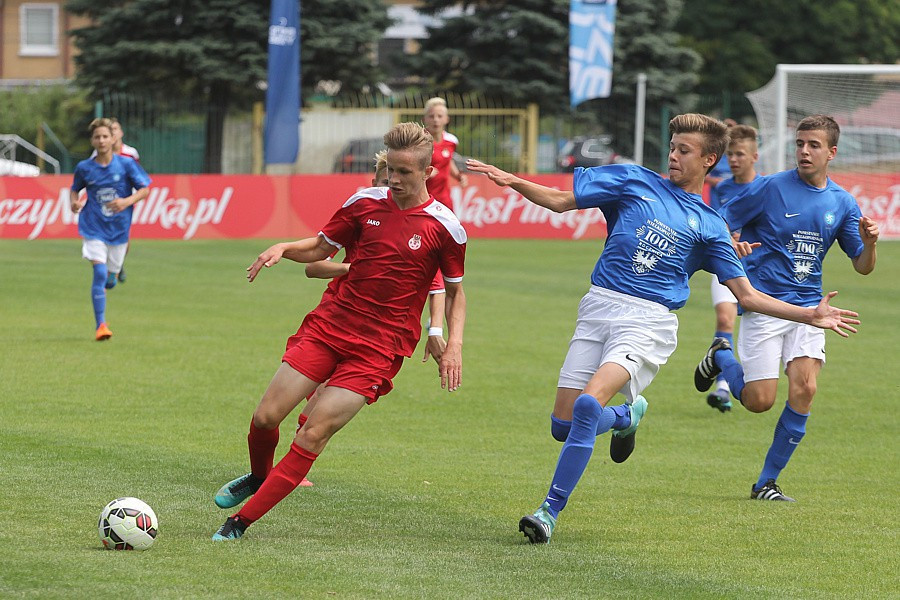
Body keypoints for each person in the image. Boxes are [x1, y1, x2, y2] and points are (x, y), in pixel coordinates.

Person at [466, 113, 860, 544]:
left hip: (648, 323)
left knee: (583, 408)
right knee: (563, 425)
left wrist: (809, 315)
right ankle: (625, 417)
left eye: (684, 151)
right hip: (598, 307)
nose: (673, 156)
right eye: (672, 147)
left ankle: (548, 511)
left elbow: (746, 296)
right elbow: (562, 200)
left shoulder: (710, 225)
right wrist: (514, 181)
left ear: (710, 160)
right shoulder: (634, 180)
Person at [211, 122, 468, 541]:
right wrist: (283, 247)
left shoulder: (446, 227)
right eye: (391, 171)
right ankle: (260, 477)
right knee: (264, 418)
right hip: (331, 326)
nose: (394, 180)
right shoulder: (365, 203)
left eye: (405, 172)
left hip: (379, 349)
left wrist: (451, 343)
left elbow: (456, 293)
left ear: (426, 173)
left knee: (314, 432)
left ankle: (239, 522)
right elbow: (319, 250)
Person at [693, 115, 879, 502]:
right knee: (759, 402)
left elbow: (862, 266)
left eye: (813, 145)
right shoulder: (770, 188)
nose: (804, 151)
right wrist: (733, 242)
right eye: (799, 144)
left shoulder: (842, 203)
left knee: (806, 389)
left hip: (812, 309)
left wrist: (869, 243)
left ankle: (766, 483)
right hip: (767, 306)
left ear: (832, 152)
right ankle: (721, 355)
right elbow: (719, 225)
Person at [70, 118, 151, 341]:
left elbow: (145, 189)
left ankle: (115, 273)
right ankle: (101, 326)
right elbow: (74, 190)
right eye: (97, 137)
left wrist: (126, 202)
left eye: (105, 136)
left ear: (113, 138)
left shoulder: (125, 164)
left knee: (109, 278)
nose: (102, 140)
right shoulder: (85, 167)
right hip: (93, 226)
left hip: (118, 229)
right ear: (92, 141)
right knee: (98, 272)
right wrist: (74, 203)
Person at [703, 124, 761, 412]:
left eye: (739, 154)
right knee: (725, 321)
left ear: (754, 157)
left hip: (759, 270)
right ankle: (723, 387)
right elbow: (716, 222)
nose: (733, 160)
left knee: (751, 332)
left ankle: (730, 371)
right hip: (726, 264)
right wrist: (726, 238)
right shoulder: (723, 188)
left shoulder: (766, 189)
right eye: (731, 154)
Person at [90, 117, 141, 285]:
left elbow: (137, 175)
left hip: (124, 200)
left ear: (120, 133)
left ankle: (116, 265)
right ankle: (106, 268)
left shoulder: (130, 153)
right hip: (103, 201)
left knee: (123, 237)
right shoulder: (98, 153)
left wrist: (130, 197)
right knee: (101, 235)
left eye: (116, 129)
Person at [423, 97, 468, 205]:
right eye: (431, 116)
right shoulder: (419, 140)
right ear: (424, 119)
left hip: (444, 197)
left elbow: (447, 160)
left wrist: (458, 176)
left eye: (439, 116)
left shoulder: (451, 141)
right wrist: (423, 172)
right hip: (422, 197)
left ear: (446, 119)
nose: (435, 120)